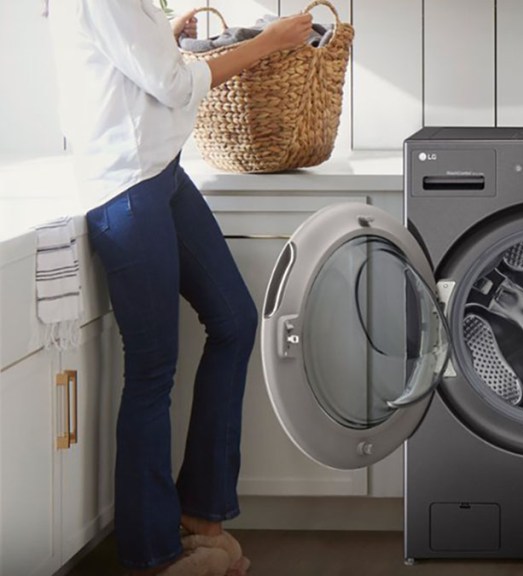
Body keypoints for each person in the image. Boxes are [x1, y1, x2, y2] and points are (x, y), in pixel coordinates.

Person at [46, 1, 313, 574]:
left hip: (160, 170)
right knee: (152, 367)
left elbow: (126, 61)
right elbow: (169, 83)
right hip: (124, 188)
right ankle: (151, 554)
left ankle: (200, 514)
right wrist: (273, 40)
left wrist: (161, 35)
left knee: (236, 321)